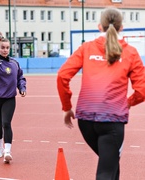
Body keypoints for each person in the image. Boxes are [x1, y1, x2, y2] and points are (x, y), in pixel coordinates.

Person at [57, 7, 145, 180]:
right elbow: (142, 91)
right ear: (121, 28)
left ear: (99, 27)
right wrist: (128, 102)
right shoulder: (130, 52)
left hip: (85, 120)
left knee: (111, 164)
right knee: (106, 170)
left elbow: (62, 76)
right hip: (112, 121)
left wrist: (67, 107)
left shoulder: (86, 48)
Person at [0, 35, 26, 163]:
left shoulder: (14, 63)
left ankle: (7, 151)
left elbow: (20, 77)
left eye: (7, 48)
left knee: (6, 123)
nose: (5, 50)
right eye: (2, 47)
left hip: (9, 98)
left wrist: (22, 87)